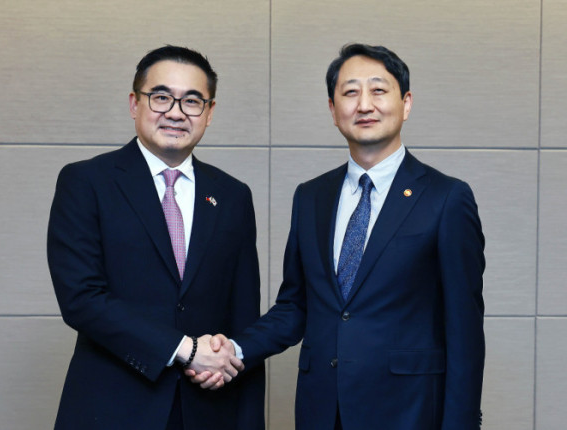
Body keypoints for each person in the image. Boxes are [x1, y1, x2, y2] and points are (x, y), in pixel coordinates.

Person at [192, 43, 485, 429]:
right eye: (350, 92)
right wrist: (235, 349)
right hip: (322, 410)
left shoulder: (446, 198)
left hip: (409, 412)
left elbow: (464, 329)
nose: (364, 105)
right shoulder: (311, 196)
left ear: (406, 103)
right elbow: (295, 305)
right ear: (333, 110)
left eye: (378, 90)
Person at [47, 45, 265, 430]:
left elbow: (243, 316)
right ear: (135, 104)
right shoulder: (86, 182)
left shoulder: (233, 195)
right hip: (111, 409)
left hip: (209, 409)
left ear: (209, 112)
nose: (176, 112)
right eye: (161, 97)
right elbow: (81, 299)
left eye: (192, 101)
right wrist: (185, 349)